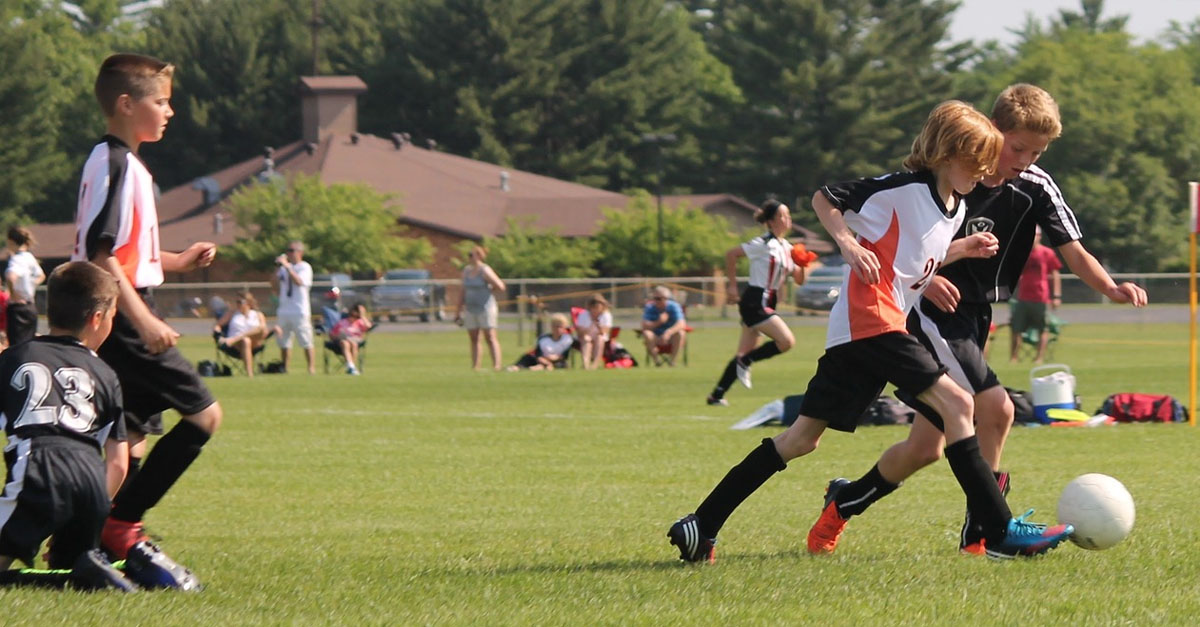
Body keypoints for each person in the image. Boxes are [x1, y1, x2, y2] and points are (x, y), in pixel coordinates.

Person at [667, 100, 1074, 564]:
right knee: (960, 403)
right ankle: (998, 531)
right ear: (946, 153)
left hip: (861, 333)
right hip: (872, 322)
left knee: (801, 440)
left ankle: (701, 523)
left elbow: (915, 260)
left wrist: (962, 249)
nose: (983, 173)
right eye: (975, 162)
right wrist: (847, 245)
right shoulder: (902, 189)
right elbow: (827, 197)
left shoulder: (954, 208)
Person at [802, 84, 1147, 556]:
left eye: (1037, 151)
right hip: (930, 314)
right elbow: (908, 247)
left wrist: (1110, 287)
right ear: (991, 132)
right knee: (997, 408)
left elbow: (1072, 249)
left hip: (975, 317)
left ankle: (844, 502)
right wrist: (926, 279)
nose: (1024, 158)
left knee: (926, 448)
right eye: (1018, 147)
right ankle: (986, 531)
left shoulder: (1035, 187)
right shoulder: (946, 177)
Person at [73, 53, 222, 563]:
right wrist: (144, 320)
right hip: (121, 317)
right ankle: (121, 528)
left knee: (129, 441)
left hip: (120, 309)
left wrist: (177, 260)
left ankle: (83, 536)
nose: (169, 111)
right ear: (125, 104)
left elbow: (127, 253)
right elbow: (100, 253)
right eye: (160, 101)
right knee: (205, 417)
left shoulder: (122, 161)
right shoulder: (115, 163)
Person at [0, 262, 134, 590]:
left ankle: (28, 581)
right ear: (97, 319)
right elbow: (118, 462)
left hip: (38, 471)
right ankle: (93, 571)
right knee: (72, 571)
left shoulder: (15, 357)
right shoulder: (105, 374)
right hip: (92, 488)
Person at [706, 199, 810, 406]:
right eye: (783, 216)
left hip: (768, 300)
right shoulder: (763, 244)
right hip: (755, 300)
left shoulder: (787, 247)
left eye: (789, 216)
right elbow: (731, 254)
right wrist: (732, 286)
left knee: (743, 352)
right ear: (771, 221)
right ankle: (746, 362)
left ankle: (716, 395)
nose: (787, 220)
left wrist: (803, 264)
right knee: (786, 341)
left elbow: (799, 280)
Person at [1009, 226, 1062, 363]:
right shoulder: (1022, 252)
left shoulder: (1047, 253)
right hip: (1023, 297)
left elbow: (1055, 274)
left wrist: (1056, 296)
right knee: (1016, 328)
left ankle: (1039, 358)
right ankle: (1014, 357)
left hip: (1041, 297)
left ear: (1040, 236)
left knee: (1042, 329)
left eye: (1036, 235)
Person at [455, 246, 506, 371]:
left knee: (490, 336)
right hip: (471, 308)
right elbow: (463, 290)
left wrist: (488, 290)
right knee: (474, 337)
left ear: (478, 256)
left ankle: (496, 365)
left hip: (485, 307)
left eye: (471, 254)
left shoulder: (485, 270)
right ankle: (475, 366)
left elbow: (500, 286)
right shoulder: (466, 271)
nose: (469, 257)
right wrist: (458, 310)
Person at [272, 240, 315, 374]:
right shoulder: (284, 268)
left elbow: (299, 282)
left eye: (292, 250)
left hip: (299, 310)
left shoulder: (304, 267)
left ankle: (311, 368)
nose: (289, 253)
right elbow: (274, 285)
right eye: (288, 250)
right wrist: (277, 268)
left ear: (300, 252)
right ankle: (284, 368)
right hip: (284, 309)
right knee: (284, 342)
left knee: (306, 340)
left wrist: (288, 267)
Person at [5, 226, 46, 346]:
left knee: (17, 346)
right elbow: (41, 275)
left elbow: (11, 277)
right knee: (30, 344)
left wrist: (13, 294)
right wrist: (31, 285)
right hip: (30, 307)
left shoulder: (16, 259)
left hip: (18, 308)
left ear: (11, 242)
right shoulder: (30, 257)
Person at [214, 291, 270, 377]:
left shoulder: (258, 314)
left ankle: (235, 339)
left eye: (240, 302)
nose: (237, 304)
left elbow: (263, 330)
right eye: (236, 302)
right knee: (246, 340)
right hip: (236, 346)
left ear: (248, 303)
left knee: (260, 329)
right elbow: (218, 325)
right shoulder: (232, 313)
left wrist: (235, 338)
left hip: (253, 343)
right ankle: (249, 374)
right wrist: (217, 333)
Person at [507, 313, 574, 371]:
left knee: (561, 364)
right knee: (527, 359)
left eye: (561, 326)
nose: (558, 329)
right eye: (555, 326)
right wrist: (547, 362)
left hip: (556, 362)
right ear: (551, 326)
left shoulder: (567, 339)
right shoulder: (543, 339)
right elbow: (538, 355)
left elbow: (563, 356)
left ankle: (540, 367)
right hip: (540, 359)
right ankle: (516, 367)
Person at [640, 286, 687, 366]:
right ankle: (657, 362)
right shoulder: (650, 307)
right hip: (655, 337)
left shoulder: (674, 306)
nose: (656, 301)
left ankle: (672, 362)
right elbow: (644, 325)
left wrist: (668, 333)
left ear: (666, 298)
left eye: (659, 299)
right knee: (647, 334)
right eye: (655, 298)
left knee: (680, 333)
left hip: (671, 337)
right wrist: (659, 322)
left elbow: (681, 323)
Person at [330, 303, 372, 375]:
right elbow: (332, 334)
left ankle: (351, 367)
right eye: (359, 311)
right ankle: (351, 367)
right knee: (345, 343)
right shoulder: (342, 322)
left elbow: (368, 327)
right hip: (342, 341)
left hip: (355, 340)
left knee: (353, 344)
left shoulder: (360, 322)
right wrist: (338, 336)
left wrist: (362, 316)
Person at [576, 293, 613, 370]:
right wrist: (591, 325)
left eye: (598, 308)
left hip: (600, 336)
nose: (596, 310)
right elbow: (580, 332)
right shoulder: (583, 315)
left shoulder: (606, 315)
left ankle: (595, 364)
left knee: (599, 338)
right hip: (586, 336)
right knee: (586, 339)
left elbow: (604, 332)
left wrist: (597, 325)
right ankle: (586, 364)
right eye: (594, 308)